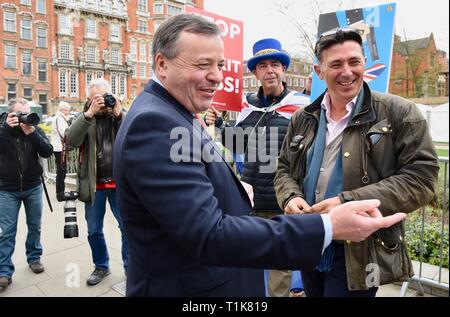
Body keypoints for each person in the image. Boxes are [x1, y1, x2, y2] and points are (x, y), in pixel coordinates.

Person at [113, 13, 407, 297]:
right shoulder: (156, 123)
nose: (216, 77)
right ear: (162, 64)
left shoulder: (177, 111)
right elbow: (208, 234)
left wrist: (232, 190)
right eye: (203, 64)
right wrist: (327, 225)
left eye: (220, 65)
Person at [274, 28, 439, 297]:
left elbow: (421, 180)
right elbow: (284, 169)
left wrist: (347, 200)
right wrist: (290, 196)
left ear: (365, 63)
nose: (347, 72)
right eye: (336, 64)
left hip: (360, 247)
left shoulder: (399, 113)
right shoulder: (303, 117)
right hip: (312, 238)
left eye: (354, 62)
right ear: (319, 71)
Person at [204, 38, 310, 297]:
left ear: (283, 69)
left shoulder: (301, 106)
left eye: (275, 64)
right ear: (255, 72)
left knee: (279, 264)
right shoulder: (246, 106)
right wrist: (220, 127)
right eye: (263, 65)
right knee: (249, 258)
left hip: (281, 197)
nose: (270, 70)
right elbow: (240, 144)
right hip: (249, 196)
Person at [66, 78, 128, 286]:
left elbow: (134, 137)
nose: (102, 102)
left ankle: (130, 266)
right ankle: (101, 266)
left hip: (120, 185)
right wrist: (88, 114)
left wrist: (119, 114)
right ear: (89, 99)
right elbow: (71, 141)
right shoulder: (84, 117)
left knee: (127, 227)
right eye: (96, 99)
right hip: (95, 186)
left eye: (104, 97)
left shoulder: (118, 115)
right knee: (94, 230)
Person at [0, 98, 53, 288]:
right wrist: (6, 128)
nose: (25, 117)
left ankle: (34, 258)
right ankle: (4, 271)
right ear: (10, 114)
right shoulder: (2, 127)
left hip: (32, 186)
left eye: (27, 112)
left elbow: (47, 151)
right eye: (21, 113)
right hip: (7, 189)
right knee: (6, 232)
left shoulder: (33, 128)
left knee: (34, 226)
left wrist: (33, 135)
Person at [50, 101, 71, 201]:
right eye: (66, 110)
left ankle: (60, 192)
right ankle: (60, 193)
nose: (68, 112)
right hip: (60, 148)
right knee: (61, 170)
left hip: (58, 147)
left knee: (61, 170)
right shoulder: (60, 119)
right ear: (62, 110)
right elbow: (65, 133)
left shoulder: (58, 118)